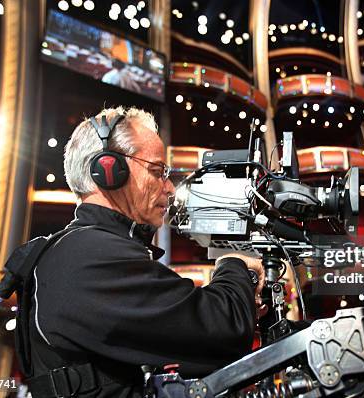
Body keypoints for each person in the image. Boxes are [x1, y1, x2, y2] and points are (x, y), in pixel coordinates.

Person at [17, 107, 266, 397]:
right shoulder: (89, 256)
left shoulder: (83, 249)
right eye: (158, 171)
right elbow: (223, 331)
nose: (170, 188)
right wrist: (233, 263)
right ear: (109, 170)